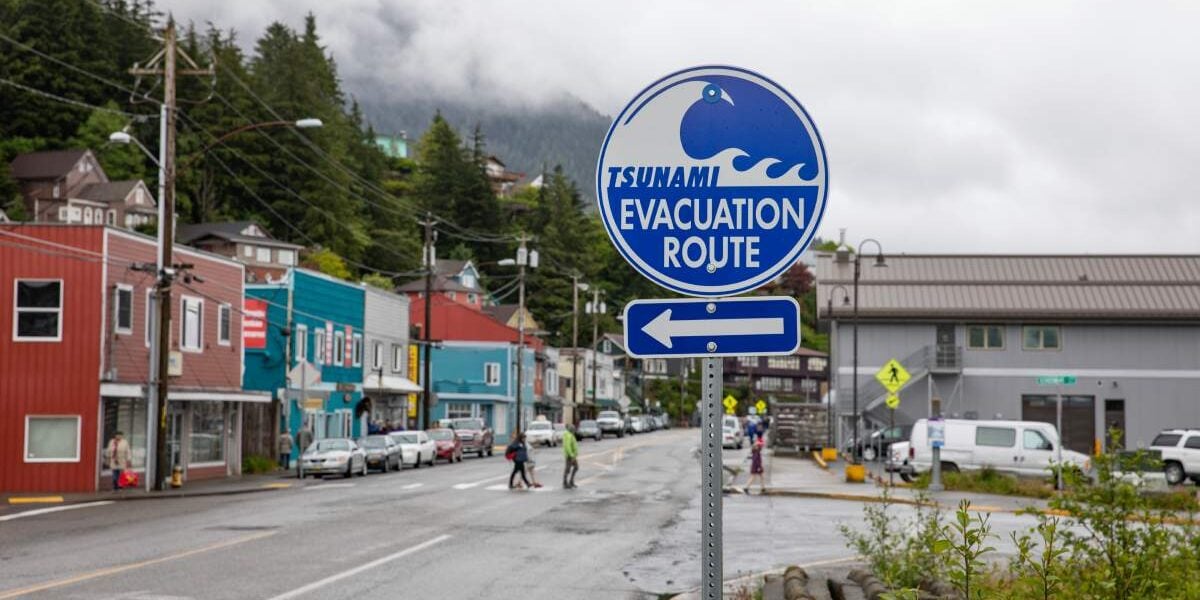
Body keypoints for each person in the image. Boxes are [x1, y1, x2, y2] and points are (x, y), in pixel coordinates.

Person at [562, 423, 579, 489]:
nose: (574, 431)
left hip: (572, 455)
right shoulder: (569, 436)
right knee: (568, 469)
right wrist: (571, 455)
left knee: (576, 467)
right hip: (570, 456)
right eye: (574, 429)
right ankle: (565, 483)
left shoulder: (570, 435)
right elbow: (567, 446)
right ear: (571, 430)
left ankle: (570, 481)